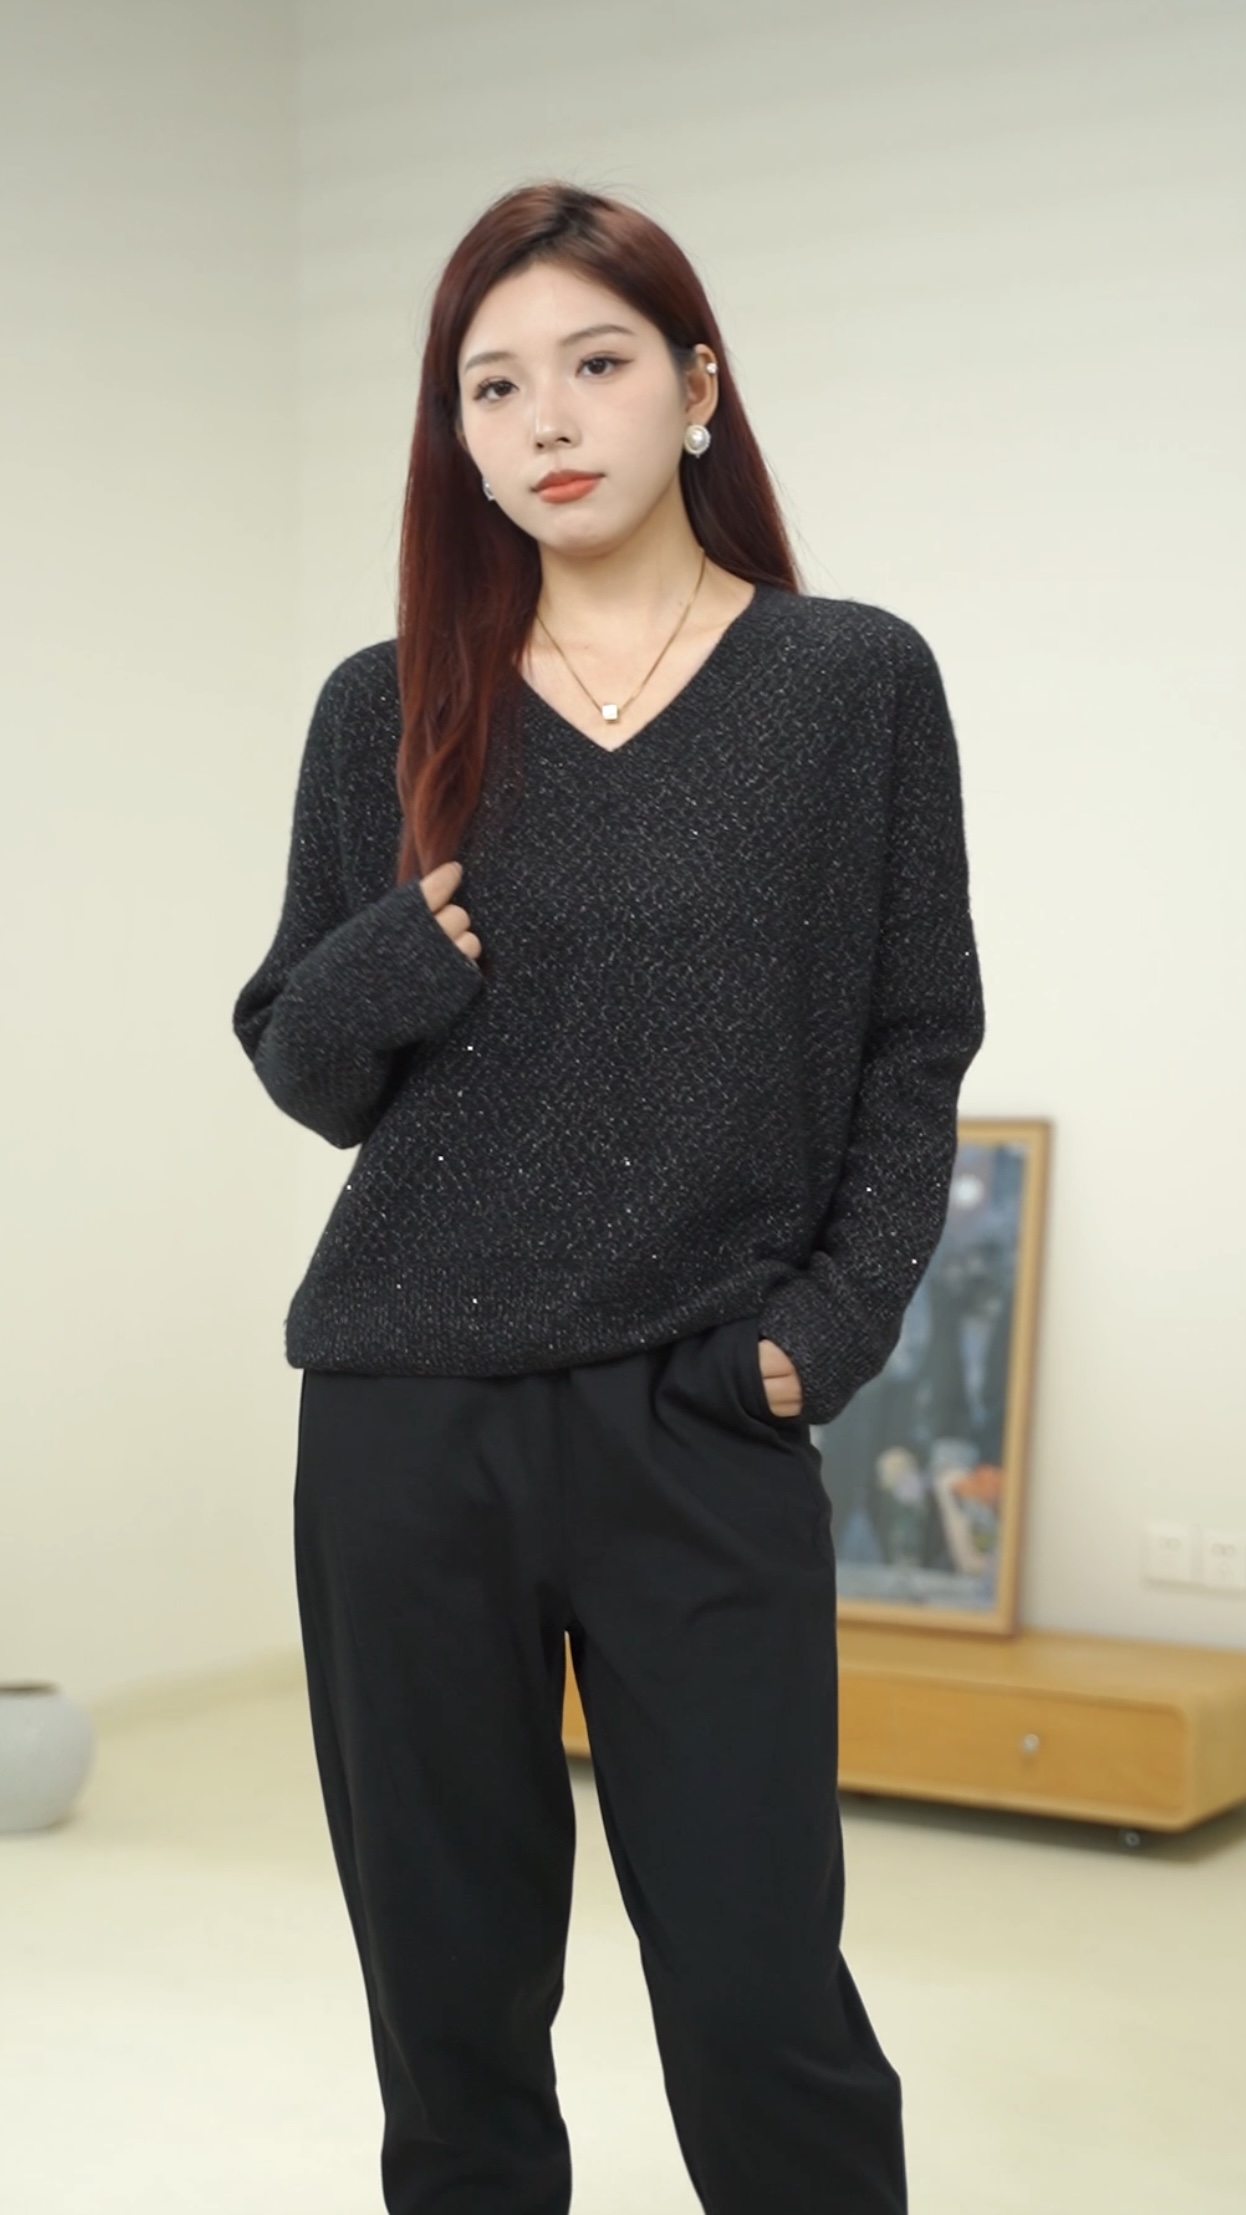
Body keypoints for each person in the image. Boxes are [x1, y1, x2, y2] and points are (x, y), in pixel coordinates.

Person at [232, 179, 985, 2215]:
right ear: (456, 435)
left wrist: (819, 1335)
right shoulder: (384, 705)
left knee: (756, 1999)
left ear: (696, 385)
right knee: (450, 2008)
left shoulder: (846, 683)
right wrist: (389, 960)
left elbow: (914, 1036)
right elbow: (303, 1062)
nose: (547, 419)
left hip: (695, 1413)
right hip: (404, 1422)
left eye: (594, 362)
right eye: (493, 386)